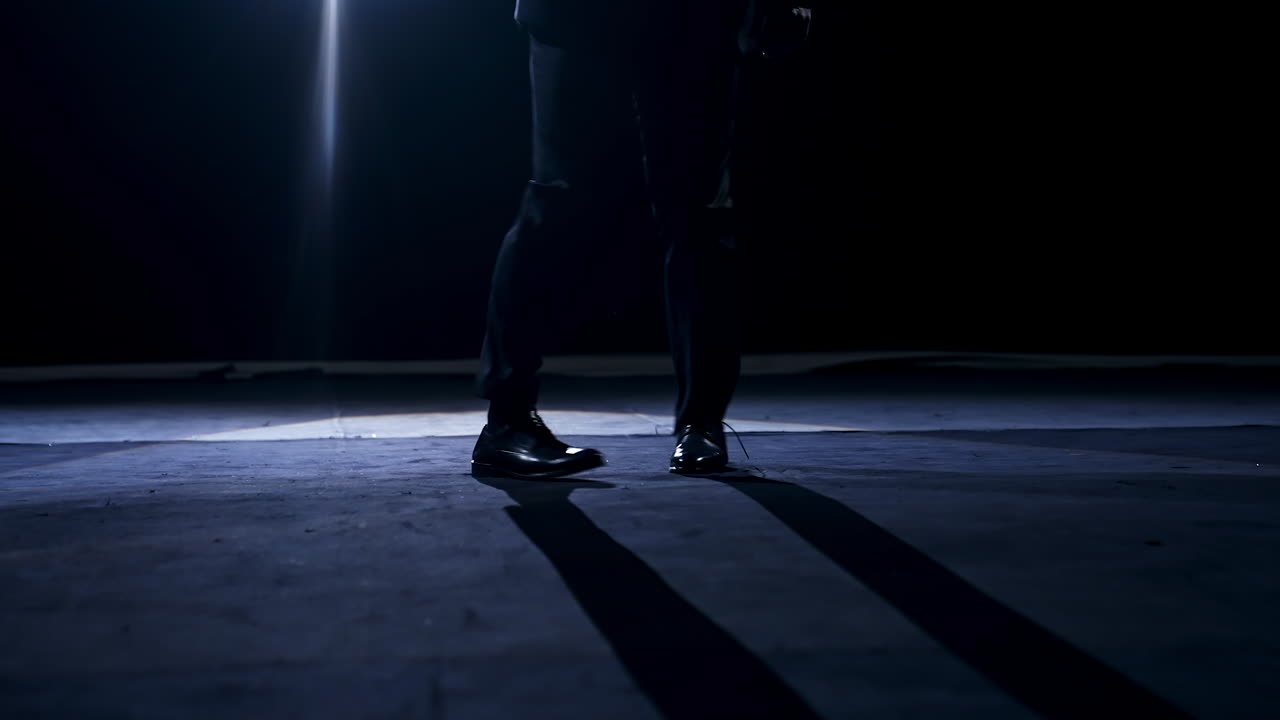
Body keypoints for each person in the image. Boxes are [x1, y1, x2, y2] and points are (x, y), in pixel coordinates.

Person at [471, 0, 813, 479]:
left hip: (692, 18)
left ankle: (701, 423)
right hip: (580, 15)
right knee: (560, 200)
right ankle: (507, 421)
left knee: (697, 215)